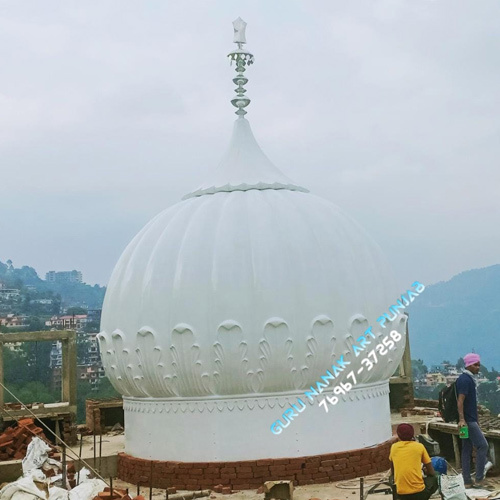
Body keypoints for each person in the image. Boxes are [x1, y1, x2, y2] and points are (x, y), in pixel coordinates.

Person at [457, 352, 490, 488]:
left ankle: (467, 481)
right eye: (476, 365)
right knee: (483, 446)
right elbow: (460, 401)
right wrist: (462, 419)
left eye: (479, 365)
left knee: (467, 448)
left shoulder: (467, 379)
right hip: (467, 421)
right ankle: (479, 478)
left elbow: (470, 403)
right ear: (469, 365)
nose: (478, 367)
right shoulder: (465, 380)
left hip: (470, 420)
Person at [389, 423, 438, 500]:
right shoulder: (419, 446)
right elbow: (431, 472)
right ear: (412, 434)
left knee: (391, 478)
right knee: (435, 477)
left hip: (401, 494)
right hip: (419, 493)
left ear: (398, 435)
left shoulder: (394, 447)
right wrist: (425, 472)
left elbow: (393, 472)